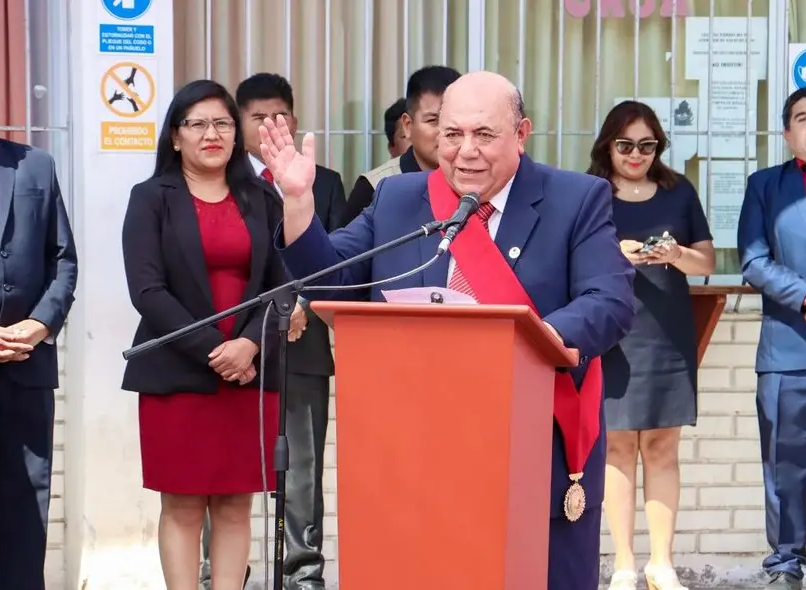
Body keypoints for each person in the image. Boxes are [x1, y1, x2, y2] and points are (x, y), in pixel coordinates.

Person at [261, 70, 636, 590]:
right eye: (452, 135)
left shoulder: (576, 199)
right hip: (414, 450)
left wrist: (526, 341)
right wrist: (298, 202)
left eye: (484, 135)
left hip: (531, 442)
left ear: (521, 134)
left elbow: (611, 301)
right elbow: (333, 278)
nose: (466, 152)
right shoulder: (398, 198)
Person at [120, 79, 286, 590]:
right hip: (179, 372)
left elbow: (282, 284)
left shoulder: (261, 196)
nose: (211, 134)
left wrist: (250, 344)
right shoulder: (151, 198)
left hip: (251, 371)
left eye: (222, 123)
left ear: (237, 134)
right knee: (184, 502)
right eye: (197, 124)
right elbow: (147, 291)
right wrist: (218, 350)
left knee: (237, 501)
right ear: (175, 137)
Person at [210, 71, 343, 590]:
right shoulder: (220, 180)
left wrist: (304, 301)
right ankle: (222, 572)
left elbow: (332, 256)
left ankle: (302, 575)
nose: (270, 123)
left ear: (294, 116)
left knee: (303, 470)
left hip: (304, 346)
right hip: (237, 345)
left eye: (279, 113)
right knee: (225, 471)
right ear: (241, 123)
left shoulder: (325, 182)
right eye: (258, 115)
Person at [0, 49, 78, 590]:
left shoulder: (36, 165)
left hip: (28, 372)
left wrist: (42, 324)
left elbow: (64, 260)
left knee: (27, 514)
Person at [586, 101, 715, 590]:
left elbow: (706, 261)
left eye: (647, 145)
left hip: (666, 331)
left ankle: (662, 563)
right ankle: (623, 564)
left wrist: (677, 253)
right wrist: (614, 254)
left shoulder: (677, 190)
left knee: (662, 446)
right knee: (617, 446)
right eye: (625, 145)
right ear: (608, 145)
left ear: (658, 145)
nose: (636, 154)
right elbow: (572, 258)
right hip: (614, 332)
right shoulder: (591, 192)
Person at [737, 85, 806, 590]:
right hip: (787, 348)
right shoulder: (763, 186)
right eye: (803, 117)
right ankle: (784, 566)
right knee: (784, 467)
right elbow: (753, 260)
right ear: (787, 133)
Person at [339, 65, 461, 226]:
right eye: (433, 120)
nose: (446, 132)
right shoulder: (375, 186)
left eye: (454, 122)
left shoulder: (478, 180)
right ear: (408, 125)